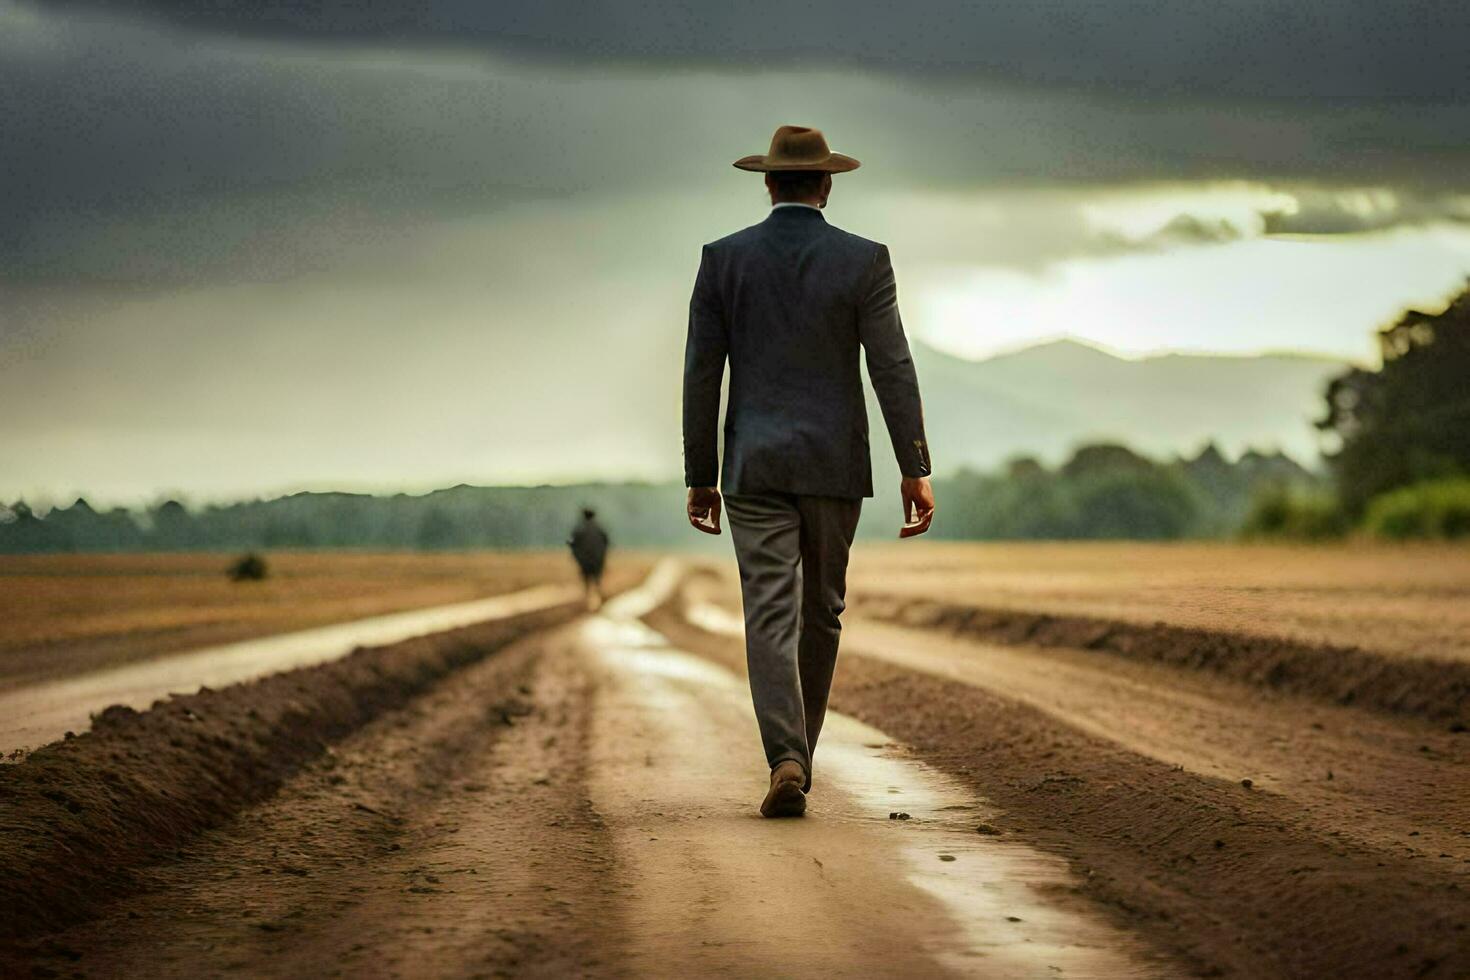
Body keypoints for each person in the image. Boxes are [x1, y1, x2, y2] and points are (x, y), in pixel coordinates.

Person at [682, 124, 935, 818]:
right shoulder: (865, 261)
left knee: (770, 615)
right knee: (822, 613)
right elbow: (891, 365)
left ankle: (786, 758)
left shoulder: (722, 260)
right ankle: (798, 756)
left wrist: (700, 475)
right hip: (834, 464)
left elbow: (704, 373)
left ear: (767, 183)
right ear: (827, 185)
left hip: (752, 466)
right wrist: (915, 466)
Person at [567, 507, 610, 610]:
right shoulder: (600, 529)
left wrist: (577, 556)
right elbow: (606, 543)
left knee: (586, 580)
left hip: (584, 560)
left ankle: (587, 600)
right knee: (597, 580)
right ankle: (597, 600)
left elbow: (572, 543)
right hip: (597, 560)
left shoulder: (579, 529)